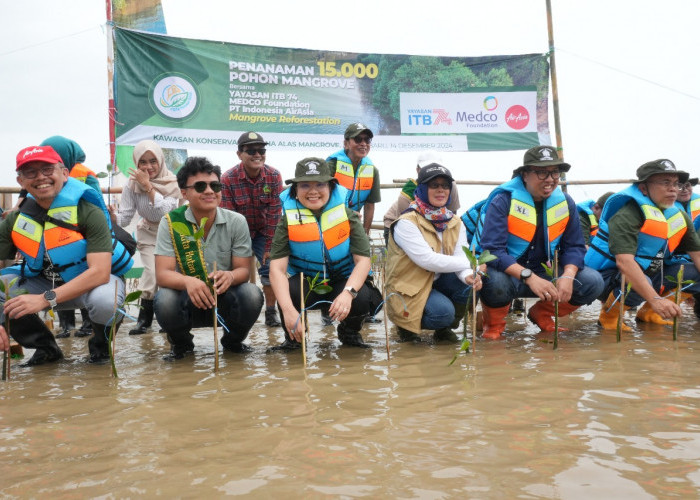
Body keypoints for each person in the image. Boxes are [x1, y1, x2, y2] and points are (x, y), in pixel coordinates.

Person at [0, 145, 133, 365]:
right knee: (2, 289)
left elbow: (100, 273)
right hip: (43, 283)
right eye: (30, 172)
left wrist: (44, 300)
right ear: (21, 181)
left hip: (91, 285)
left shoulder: (88, 211)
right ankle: (46, 349)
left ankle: (101, 349)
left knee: (105, 301)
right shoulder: (16, 219)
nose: (40, 177)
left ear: (64, 173)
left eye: (47, 169)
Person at [474, 145, 604, 338]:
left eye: (555, 173)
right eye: (542, 173)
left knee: (592, 281)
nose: (550, 179)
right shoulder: (503, 200)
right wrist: (529, 277)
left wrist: (568, 276)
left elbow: (575, 247)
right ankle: (493, 326)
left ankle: (542, 313)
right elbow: (492, 251)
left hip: (544, 272)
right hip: (508, 273)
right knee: (494, 281)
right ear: (525, 175)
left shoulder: (566, 202)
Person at [153, 156, 264, 360]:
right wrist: (188, 281)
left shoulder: (237, 222)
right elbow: (162, 274)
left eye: (215, 185)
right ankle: (182, 345)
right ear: (184, 192)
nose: (209, 191)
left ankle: (232, 342)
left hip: (224, 296)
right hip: (187, 297)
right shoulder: (170, 223)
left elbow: (243, 271)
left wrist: (230, 276)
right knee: (164, 299)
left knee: (252, 294)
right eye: (200, 186)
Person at [268, 157, 382, 350]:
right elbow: (276, 269)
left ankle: (349, 333)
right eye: (305, 185)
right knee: (290, 289)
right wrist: (287, 310)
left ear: (331, 187)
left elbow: (362, 261)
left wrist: (348, 293)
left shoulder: (348, 216)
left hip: (342, 281)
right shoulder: (287, 220)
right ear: (295, 191)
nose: (313, 191)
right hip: (310, 282)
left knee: (360, 296)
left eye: (320, 184)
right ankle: (294, 340)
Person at [585, 160, 700, 328]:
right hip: (610, 277)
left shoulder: (679, 216)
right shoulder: (627, 213)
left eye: (676, 183)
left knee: (695, 272)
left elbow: (697, 255)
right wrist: (656, 300)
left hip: (651, 273)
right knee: (635, 280)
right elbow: (624, 263)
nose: (673, 189)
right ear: (643, 188)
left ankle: (649, 313)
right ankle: (609, 318)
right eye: (665, 182)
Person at [385, 163, 482, 343]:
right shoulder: (406, 222)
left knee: (470, 287)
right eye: (434, 185)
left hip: (438, 281)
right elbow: (428, 260)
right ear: (421, 189)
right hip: (411, 286)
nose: (441, 190)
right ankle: (406, 327)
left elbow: (460, 256)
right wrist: (472, 263)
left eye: (445, 186)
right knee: (442, 312)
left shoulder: (454, 221)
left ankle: (443, 331)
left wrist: (469, 274)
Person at [109, 140, 181, 335]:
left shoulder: (172, 182)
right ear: (136, 163)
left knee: (171, 275)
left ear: (160, 161)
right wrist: (113, 217)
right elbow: (125, 219)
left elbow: (164, 211)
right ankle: (144, 320)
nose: (148, 167)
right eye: (143, 162)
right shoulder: (132, 185)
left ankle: (169, 318)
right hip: (148, 233)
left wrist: (148, 187)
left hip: (173, 233)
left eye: (153, 161)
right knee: (151, 273)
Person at [40, 135, 102, 338]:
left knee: (81, 275)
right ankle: (66, 325)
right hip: (53, 238)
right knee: (58, 278)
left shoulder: (86, 176)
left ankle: (87, 323)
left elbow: (97, 204)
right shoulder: (41, 179)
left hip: (80, 237)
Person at [221, 132, 283, 327]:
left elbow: (275, 213)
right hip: (239, 233)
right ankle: (238, 313)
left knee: (270, 268)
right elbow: (229, 218)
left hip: (265, 231)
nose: (258, 154)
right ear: (239, 154)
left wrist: (269, 247)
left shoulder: (274, 176)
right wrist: (238, 250)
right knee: (238, 272)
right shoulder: (228, 179)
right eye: (251, 151)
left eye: (261, 150)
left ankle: (271, 312)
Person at [383, 151, 461, 245]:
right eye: (434, 185)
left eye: (436, 167)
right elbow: (405, 226)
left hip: (435, 223)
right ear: (418, 170)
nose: (440, 189)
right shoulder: (406, 195)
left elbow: (452, 215)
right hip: (401, 224)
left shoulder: (450, 186)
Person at [327, 123, 381, 234]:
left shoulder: (372, 171)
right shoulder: (331, 166)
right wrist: (345, 213)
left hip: (353, 224)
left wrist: (365, 233)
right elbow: (320, 200)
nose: (363, 144)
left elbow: (370, 205)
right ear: (346, 144)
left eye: (367, 140)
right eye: (358, 139)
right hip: (329, 221)